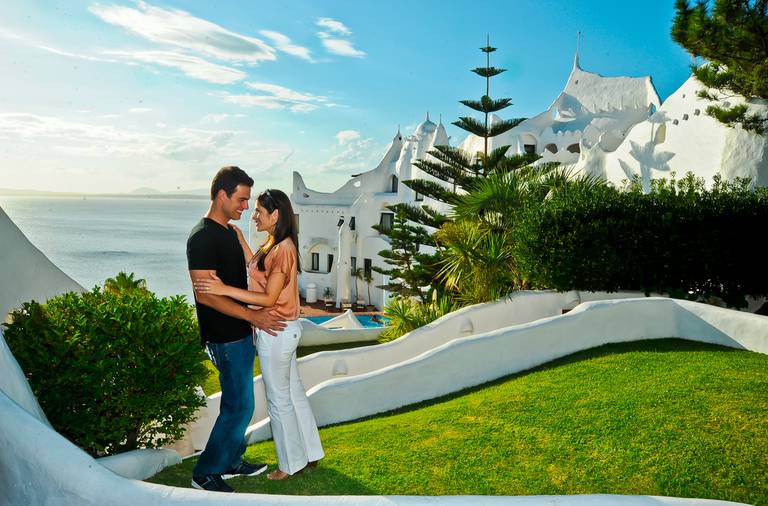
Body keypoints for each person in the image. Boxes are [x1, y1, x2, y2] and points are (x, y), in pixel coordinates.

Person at [194, 188, 325, 481]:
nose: (253, 216)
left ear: (275, 215)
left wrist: (223, 289)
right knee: (294, 394)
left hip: (276, 331)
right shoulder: (273, 244)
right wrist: (241, 239)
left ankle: (289, 464)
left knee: (279, 400)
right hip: (284, 330)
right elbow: (256, 270)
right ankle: (310, 453)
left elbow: (268, 298)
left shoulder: (283, 249)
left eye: (258, 211)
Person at [187, 167, 286, 493]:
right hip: (224, 336)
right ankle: (206, 472)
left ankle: (230, 460)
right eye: (241, 200)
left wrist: (250, 319)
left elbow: (249, 270)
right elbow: (206, 295)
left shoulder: (229, 233)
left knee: (242, 403)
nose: (245, 207)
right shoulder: (202, 237)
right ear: (222, 195)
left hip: (240, 332)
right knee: (238, 405)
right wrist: (252, 316)